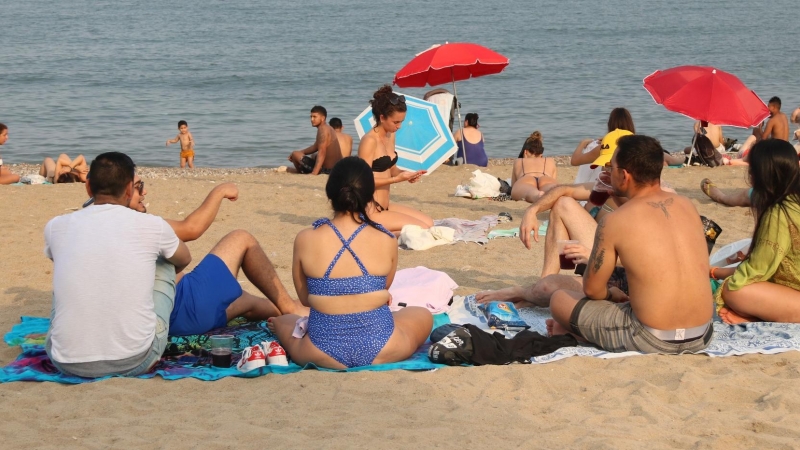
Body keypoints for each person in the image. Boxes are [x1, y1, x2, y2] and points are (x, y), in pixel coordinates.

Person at [547, 135, 713, 354]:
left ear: (624, 175)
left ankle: (578, 332)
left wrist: (611, 294)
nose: (608, 172)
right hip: (702, 334)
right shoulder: (687, 206)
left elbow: (592, 289)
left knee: (559, 299)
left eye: (611, 167)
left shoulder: (615, 221)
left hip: (652, 338)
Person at [269, 157, 433, 369]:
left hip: (321, 350)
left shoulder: (305, 238)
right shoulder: (386, 239)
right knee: (421, 315)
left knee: (287, 322)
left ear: (330, 193)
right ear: (369, 195)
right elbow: (384, 289)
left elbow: (305, 299)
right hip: (383, 346)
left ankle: (282, 325)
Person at [45, 152, 193, 378]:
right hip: (137, 358)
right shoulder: (152, 225)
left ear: (88, 187)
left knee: (73, 268)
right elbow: (184, 259)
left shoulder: (56, 226)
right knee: (164, 260)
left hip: (65, 360)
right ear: (128, 190)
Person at [126, 172, 307, 336]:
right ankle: (291, 308)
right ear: (123, 191)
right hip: (183, 308)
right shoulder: (140, 225)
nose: (144, 191)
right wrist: (219, 191)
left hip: (161, 316)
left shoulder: (100, 224)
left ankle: (293, 311)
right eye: (138, 186)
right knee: (241, 239)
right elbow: (192, 228)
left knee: (246, 301)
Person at [711, 139, 800, 325]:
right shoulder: (793, 200)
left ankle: (755, 317)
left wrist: (715, 272)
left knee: (733, 290)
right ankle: (755, 316)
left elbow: (755, 270)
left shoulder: (779, 213)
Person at [357, 85, 432, 234]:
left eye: (401, 121)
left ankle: (381, 231)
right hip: (371, 209)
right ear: (382, 117)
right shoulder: (369, 141)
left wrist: (405, 174)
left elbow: (391, 169)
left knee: (429, 223)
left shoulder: (390, 135)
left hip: (386, 205)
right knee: (423, 230)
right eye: (396, 122)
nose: (399, 126)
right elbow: (363, 182)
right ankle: (369, 230)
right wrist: (397, 180)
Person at [729, 97, 791, 165]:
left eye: (768, 106)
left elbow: (764, 138)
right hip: (786, 148)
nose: (767, 108)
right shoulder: (784, 116)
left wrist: (761, 127)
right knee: (756, 131)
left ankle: (749, 154)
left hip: (776, 150)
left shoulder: (772, 121)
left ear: (773, 107)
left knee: (756, 133)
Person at [288, 106, 342, 175]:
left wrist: (314, 173)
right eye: (311, 117)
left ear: (322, 118)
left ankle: (300, 172)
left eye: (314, 117)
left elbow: (322, 152)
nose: (312, 119)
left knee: (294, 153)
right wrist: (301, 152)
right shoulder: (328, 128)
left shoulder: (322, 130)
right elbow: (315, 147)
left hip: (327, 171)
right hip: (337, 169)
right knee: (309, 155)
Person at [510, 131, 558, 202]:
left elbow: (514, 185)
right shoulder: (550, 161)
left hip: (526, 178)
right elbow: (553, 179)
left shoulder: (518, 161)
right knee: (552, 190)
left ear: (525, 152)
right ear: (541, 154)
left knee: (529, 192)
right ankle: (547, 195)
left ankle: (537, 195)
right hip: (545, 178)